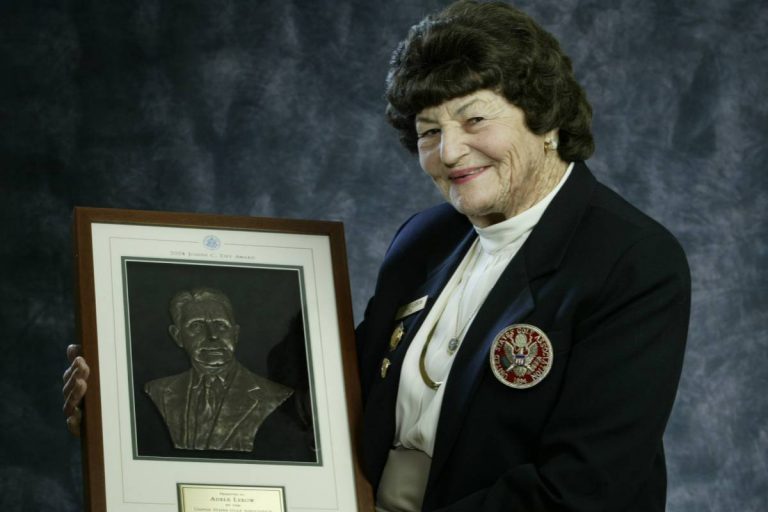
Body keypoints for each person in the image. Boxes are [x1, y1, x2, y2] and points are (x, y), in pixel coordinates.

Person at [65, 1, 690, 510]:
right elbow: (330, 396)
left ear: (546, 118)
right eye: (427, 132)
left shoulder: (632, 261)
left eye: (475, 120)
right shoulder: (425, 237)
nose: (449, 152)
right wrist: (119, 413)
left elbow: (585, 490)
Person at [143, 287, 292, 452]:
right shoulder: (158, 390)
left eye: (221, 326)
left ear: (235, 334)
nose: (212, 335)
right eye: (197, 326)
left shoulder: (273, 395)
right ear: (178, 336)